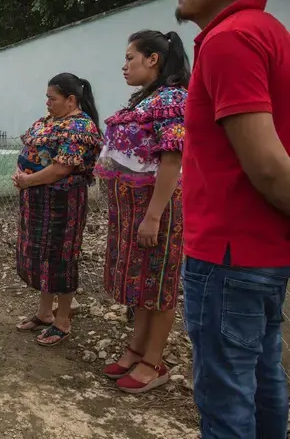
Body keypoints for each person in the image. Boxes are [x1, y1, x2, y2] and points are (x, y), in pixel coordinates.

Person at [176, 0, 290, 437]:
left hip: (228, 258)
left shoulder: (232, 39)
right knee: (263, 379)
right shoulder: (270, 32)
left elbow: (267, 165)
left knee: (225, 401)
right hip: (260, 253)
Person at [94, 30, 190, 393]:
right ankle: (136, 348)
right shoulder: (145, 100)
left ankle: (155, 361)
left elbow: (172, 158)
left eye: (130, 57)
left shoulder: (172, 99)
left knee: (160, 282)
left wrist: (153, 215)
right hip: (134, 209)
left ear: (153, 59)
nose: (124, 65)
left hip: (158, 209)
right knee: (143, 282)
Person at [13, 73, 103, 346]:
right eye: (47, 98)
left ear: (71, 99)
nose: (48, 103)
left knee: (61, 257)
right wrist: (22, 173)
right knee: (40, 256)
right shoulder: (48, 122)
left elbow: (62, 167)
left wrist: (28, 179)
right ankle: (44, 312)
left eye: (52, 98)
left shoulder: (81, 127)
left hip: (63, 204)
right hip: (37, 202)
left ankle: (63, 320)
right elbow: (29, 149)